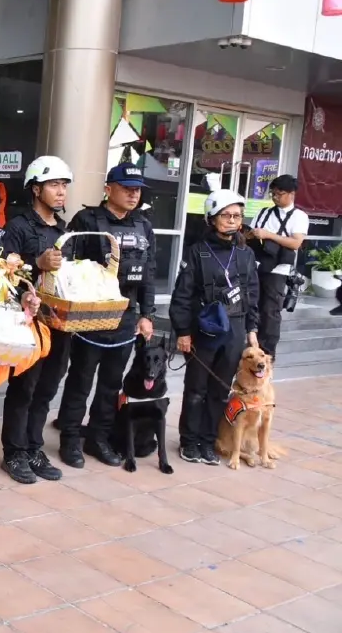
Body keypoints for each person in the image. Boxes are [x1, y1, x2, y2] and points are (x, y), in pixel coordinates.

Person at [55, 163, 157, 469]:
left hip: (126, 316)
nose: (133, 194)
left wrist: (147, 314)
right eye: (126, 188)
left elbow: (149, 272)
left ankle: (97, 438)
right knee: (80, 379)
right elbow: (65, 268)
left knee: (112, 383)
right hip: (91, 316)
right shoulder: (87, 220)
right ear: (108, 188)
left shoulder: (144, 225)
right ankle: (70, 439)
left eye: (137, 189)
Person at [170, 189, 260, 464]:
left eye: (237, 215)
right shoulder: (197, 252)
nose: (232, 220)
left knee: (220, 390)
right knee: (196, 388)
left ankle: (208, 441)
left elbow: (252, 293)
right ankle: (189, 441)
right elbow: (182, 295)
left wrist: (252, 331)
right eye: (226, 215)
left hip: (235, 328)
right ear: (212, 218)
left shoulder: (245, 253)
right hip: (205, 327)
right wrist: (183, 332)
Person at [0, 156, 72, 484]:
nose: (61, 192)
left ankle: (33, 447)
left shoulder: (62, 228)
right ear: (36, 188)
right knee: (24, 388)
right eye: (55, 185)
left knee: (46, 388)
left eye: (64, 186)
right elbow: (3, 275)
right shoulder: (18, 227)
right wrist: (36, 263)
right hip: (27, 323)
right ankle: (14, 452)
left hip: (58, 324)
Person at [247, 174, 308, 359]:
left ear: (291, 194)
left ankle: (267, 353)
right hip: (256, 265)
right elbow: (250, 235)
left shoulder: (299, 216)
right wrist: (252, 234)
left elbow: (296, 243)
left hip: (278, 270)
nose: (274, 197)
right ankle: (250, 346)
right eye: (272, 194)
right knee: (251, 306)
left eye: (279, 194)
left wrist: (268, 235)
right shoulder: (264, 212)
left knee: (270, 310)